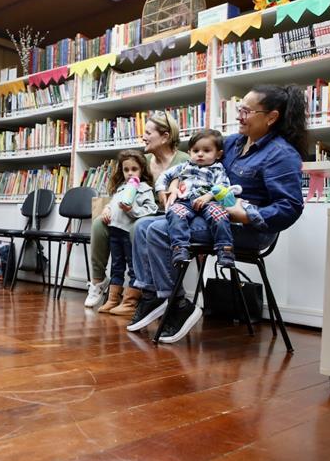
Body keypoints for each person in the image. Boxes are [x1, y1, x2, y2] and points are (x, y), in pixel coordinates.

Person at [128, 85, 306, 343]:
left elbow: (290, 207)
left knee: (157, 230)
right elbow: (196, 166)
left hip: (248, 229)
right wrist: (176, 184)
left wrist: (245, 214)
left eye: (246, 111)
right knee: (142, 226)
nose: (239, 116)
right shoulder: (232, 144)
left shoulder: (282, 154)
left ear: (271, 117)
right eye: (239, 109)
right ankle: (150, 295)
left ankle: (176, 303)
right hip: (209, 214)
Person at [85, 111, 189, 307]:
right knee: (99, 224)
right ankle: (98, 281)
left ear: (165, 137)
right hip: (134, 210)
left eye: (148, 133)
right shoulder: (144, 161)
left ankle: (139, 289)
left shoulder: (183, 160)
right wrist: (108, 208)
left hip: (163, 214)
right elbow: (125, 190)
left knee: (137, 227)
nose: (143, 137)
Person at [156, 129, 235, 268]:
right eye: (195, 150)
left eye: (206, 150)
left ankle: (225, 250)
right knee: (175, 212)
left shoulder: (218, 169)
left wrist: (208, 196)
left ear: (218, 154)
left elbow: (224, 186)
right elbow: (164, 176)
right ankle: (180, 248)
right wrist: (162, 190)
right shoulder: (184, 166)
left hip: (209, 202)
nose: (200, 154)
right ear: (189, 153)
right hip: (185, 201)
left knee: (220, 214)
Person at [96, 150, 158, 315]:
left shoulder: (144, 189)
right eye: (126, 169)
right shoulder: (121, 188)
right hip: (115, 231)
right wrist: (107, 209)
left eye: (134, 169)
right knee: (116, 266)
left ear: (142, 170)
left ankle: (130, 302)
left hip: (129, 233)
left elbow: (151, 209)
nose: (130, 173)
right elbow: (113, 203)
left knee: (133, 267)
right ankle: (112, 299)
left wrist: (132, 209)